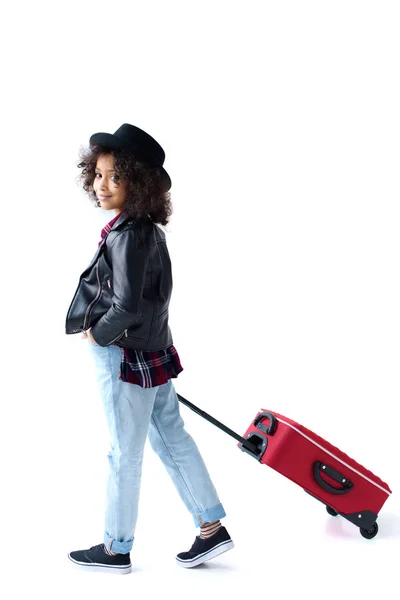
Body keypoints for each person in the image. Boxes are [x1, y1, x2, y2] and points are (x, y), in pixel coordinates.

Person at [65, 123, 234, 574]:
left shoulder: (127, 236)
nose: (101, 185)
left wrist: (97, 334)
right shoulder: (145, 231)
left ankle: (116, 548)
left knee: (124, 452)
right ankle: (211, 528)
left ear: (136, 183)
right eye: (98, 174)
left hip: (124, 357)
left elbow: (127, 306)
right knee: (172, 438)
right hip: (152, 352)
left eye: (114, 177)